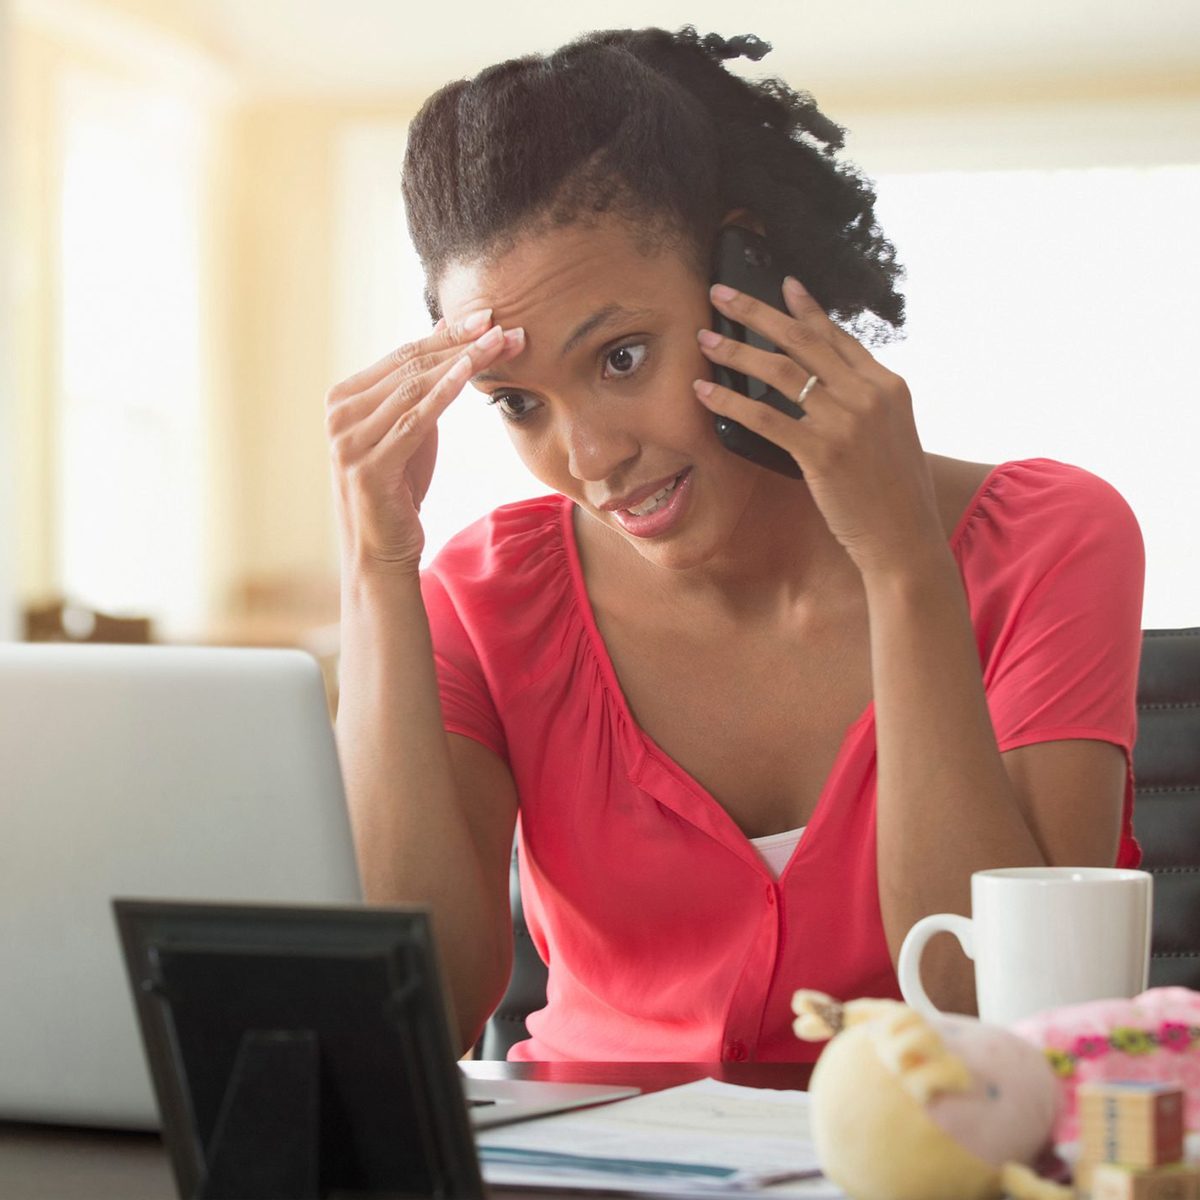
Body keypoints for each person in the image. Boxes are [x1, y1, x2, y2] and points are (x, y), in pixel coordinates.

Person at [325, 26, 1145, 1062]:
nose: (588, 455)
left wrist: (903, 568)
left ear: (744, 282)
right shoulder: (480, 600)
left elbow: (1004, 1024)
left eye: (622, 357)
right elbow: (416, 1021)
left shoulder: (1048, 540)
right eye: (517, 403)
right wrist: (377, 569)